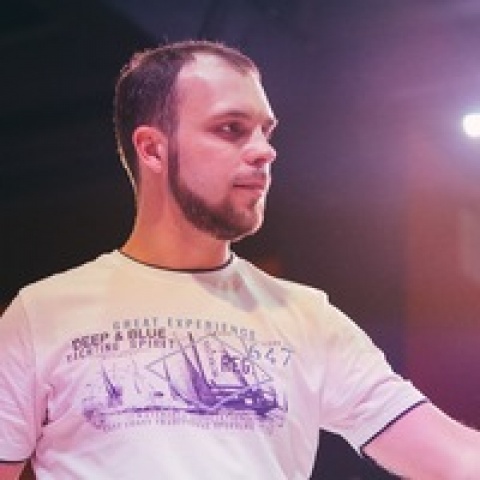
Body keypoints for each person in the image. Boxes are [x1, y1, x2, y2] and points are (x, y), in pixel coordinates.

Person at [0, 40, 479, 480]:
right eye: (231, 129)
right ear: (152, 149)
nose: (264, 151)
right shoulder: (41, 314)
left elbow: (454, 459)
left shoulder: (307, 318)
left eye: (265, 132)